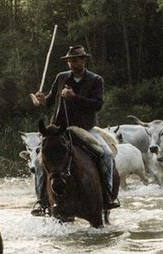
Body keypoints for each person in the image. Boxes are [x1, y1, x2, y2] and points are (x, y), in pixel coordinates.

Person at [28, 44, 118, 215]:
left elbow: (97, 104)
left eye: (74, 60)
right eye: (69, 61)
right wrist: (42, 100)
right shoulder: (61, 77)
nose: (71, 64)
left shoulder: (95, 80)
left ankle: (108, 196)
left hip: (84, 128)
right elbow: (50, 100)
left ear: (84, 60)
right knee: (38, 162)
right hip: (59, 130)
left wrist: (74, 97)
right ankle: (41, 200)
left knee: (106, 155)